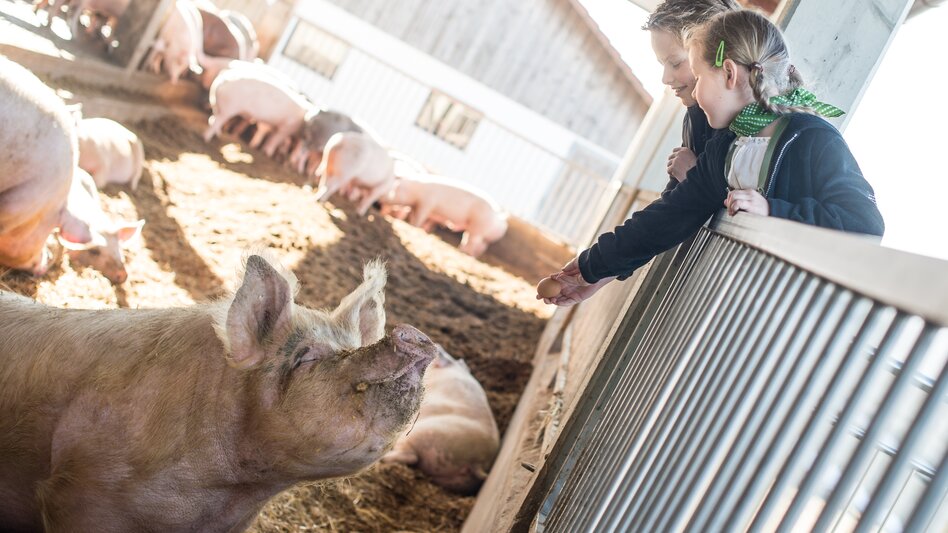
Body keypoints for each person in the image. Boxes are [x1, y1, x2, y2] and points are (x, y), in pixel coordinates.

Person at [539, 9, 885, 306]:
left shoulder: (810, 136)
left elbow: (863, 223)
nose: (694, 90)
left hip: (800, 311)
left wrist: (773, 211)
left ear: (730, 74)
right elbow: (671, 215)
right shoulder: (726, 146)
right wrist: (588, 269)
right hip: (747, 303)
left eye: (700, 76)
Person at [645, 0, 741, 186]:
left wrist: (693, 177)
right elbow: (672, 197)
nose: (665, 78)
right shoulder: (694, 114)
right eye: (662, 65)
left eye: (675, 63)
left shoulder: (750, 123)